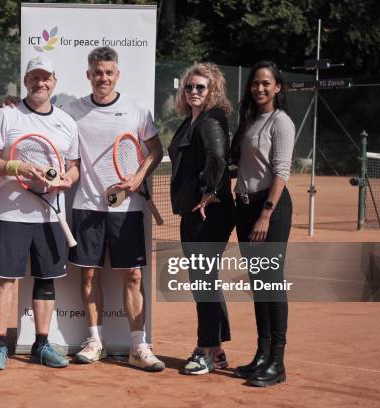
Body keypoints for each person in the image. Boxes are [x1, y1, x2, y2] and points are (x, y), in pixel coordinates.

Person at [64, 47, 165, 371]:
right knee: (89, 274)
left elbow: (155, 149)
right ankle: (95, 341)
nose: (103, 77)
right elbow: (71, 158)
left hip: (127, 210)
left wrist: (137, 177)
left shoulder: (136, 110)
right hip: (87, 206)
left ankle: (139, 346)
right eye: (97, 72)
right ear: (88, 75)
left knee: (133, 276)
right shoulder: (72, 111)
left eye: (109, 72)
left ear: (117, 74)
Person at [0, 56, 79, 369]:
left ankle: (41, 344)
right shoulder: (7, 113)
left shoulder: (66, 122)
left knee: (46, 281)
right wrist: (20, 167)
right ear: (26, 81)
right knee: (6, 279)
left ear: (54, 81)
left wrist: (66, 180)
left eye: (46, 77)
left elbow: (74, 166)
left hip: (52, 216)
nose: (40, 83)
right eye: (34, 78)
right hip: (12, 214)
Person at [230, 61, 295, 387]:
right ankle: (262, 354)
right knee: (259, 284)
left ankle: (277, 363)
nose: (259, 88)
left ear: (278, 87)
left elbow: (281, 171)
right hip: (245, 208)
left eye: (266, 83)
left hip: (269, 209)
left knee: (271, 282)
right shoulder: (250, 121)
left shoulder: (280, 122)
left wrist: (266, 214)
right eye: (255, 83)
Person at [168, 63, 235, 375]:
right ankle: (216, 350)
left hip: (209, 213)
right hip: (194, 213)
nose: (193, 92)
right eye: (189, 87)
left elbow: (218, 157)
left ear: (213, 91)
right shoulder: (191, 120)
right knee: (204, 280)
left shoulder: (210, 119)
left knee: (203, 281)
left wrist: (209, 192)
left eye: (200, 88)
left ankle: (205, 350)